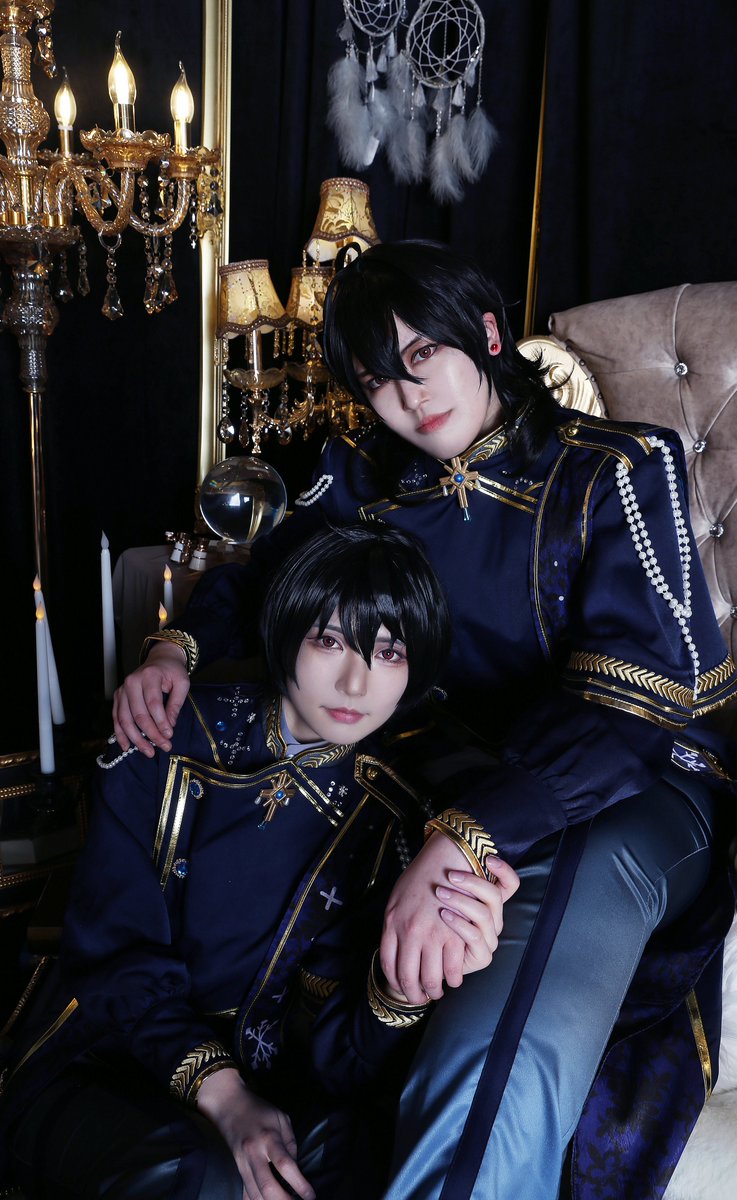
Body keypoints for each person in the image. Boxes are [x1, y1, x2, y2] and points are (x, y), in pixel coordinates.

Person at [112, 241, 737, 1199]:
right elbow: (263, 579)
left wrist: (465, 836)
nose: (408, 397)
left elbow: (630, 709)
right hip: (457, 793)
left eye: (421, 357)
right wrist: (173, 651)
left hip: (645, 792)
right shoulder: (365, 484)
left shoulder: (611, 468)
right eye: (378, 380)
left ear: (484, 333)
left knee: (518, 974)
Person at [0, 523, 519, 1200]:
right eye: (329, 641)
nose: (356, 682)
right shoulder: (162, 737)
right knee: (203, 1178)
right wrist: (225, 1097)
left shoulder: (397, 821)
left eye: (389, 652)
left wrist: (403, 990)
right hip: (101, 1055)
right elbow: (115, 957)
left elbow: (337, 1059)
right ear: (285, 630)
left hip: (272, 1090)